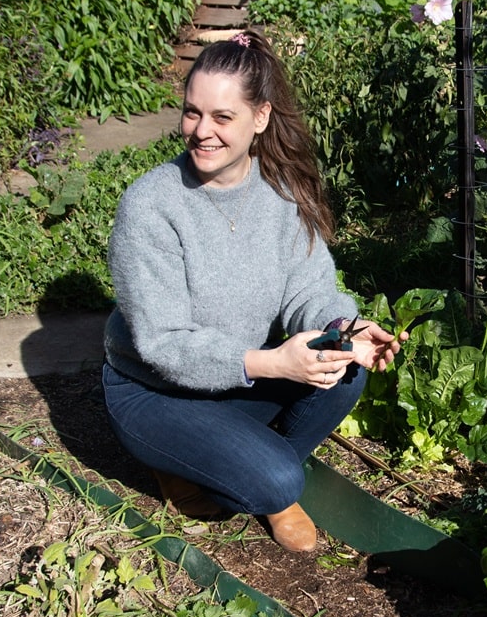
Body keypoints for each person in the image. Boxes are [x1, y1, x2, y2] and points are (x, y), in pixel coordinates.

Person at [101, 29, 406, 552]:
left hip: (234, 380)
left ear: (259, 118)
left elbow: (310, 289)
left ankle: (234, 460)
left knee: (345, 366)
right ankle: (204, 466)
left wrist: (342, 328)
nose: (202, 131)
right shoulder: (152, 207)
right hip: (158, 392)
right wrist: (273, 364)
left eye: (223, 117)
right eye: (193, 113)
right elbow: (163, 344)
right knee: (280, 482)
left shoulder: (280, 193)